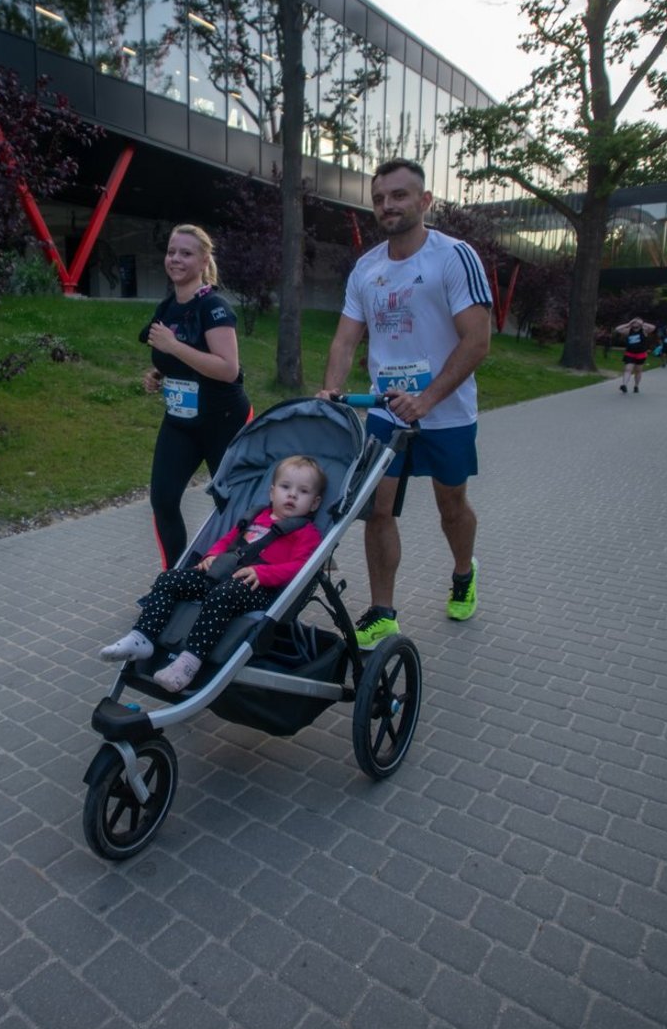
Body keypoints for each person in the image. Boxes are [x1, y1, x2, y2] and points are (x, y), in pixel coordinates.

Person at [317, 158, 492, 649]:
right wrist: (332, 393)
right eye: (379, 198)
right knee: (378, 511)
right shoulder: (366, 268)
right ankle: (381, 612)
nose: (388, 206)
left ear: (424, 201)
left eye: (398, 195)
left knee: (450, 505)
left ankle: (463, 572)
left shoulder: (453, 257)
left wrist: (428, 400)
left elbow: (477, 341)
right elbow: (345, 341)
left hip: (447, 411)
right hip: (383, 411)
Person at [101, 455, 327, 692]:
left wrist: (263, 573)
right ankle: (142, 637)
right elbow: (228, 540)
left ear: (314, 503)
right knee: (169, 579)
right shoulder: (256, 516)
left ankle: (189, 662)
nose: (292, 495)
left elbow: (301, 567)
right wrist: (211, 556)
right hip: (221, 574)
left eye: (303, 491)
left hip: (257, 588)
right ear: (272, 493)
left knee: (223, 595)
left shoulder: (306, 533)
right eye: (285, 487)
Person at [141, 224, 252, 568]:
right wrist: (160, 373)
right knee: (163, 499)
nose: (175, 259)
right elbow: (173, 357)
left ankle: (242, 575)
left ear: (204, 260)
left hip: (224, 421)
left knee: (234, 505)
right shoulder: (167, 307)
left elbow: (228, 369)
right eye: (172, 252)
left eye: (186, 253)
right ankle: (175, 577)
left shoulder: (214, 307)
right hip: (181, 423)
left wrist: (175, 347)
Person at [615, 317, 656, 392]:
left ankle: (636, 386)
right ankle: (624, 385)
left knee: (638, 371)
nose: (635, 323)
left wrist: (642, 323)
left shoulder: (644, 331)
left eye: (637, 322)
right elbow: (617, 329)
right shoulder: (629, 331)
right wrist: (628, 324)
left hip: (640, 354)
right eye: (634, 322)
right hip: (630, 353)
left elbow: (653, 327)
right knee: (628, 369)